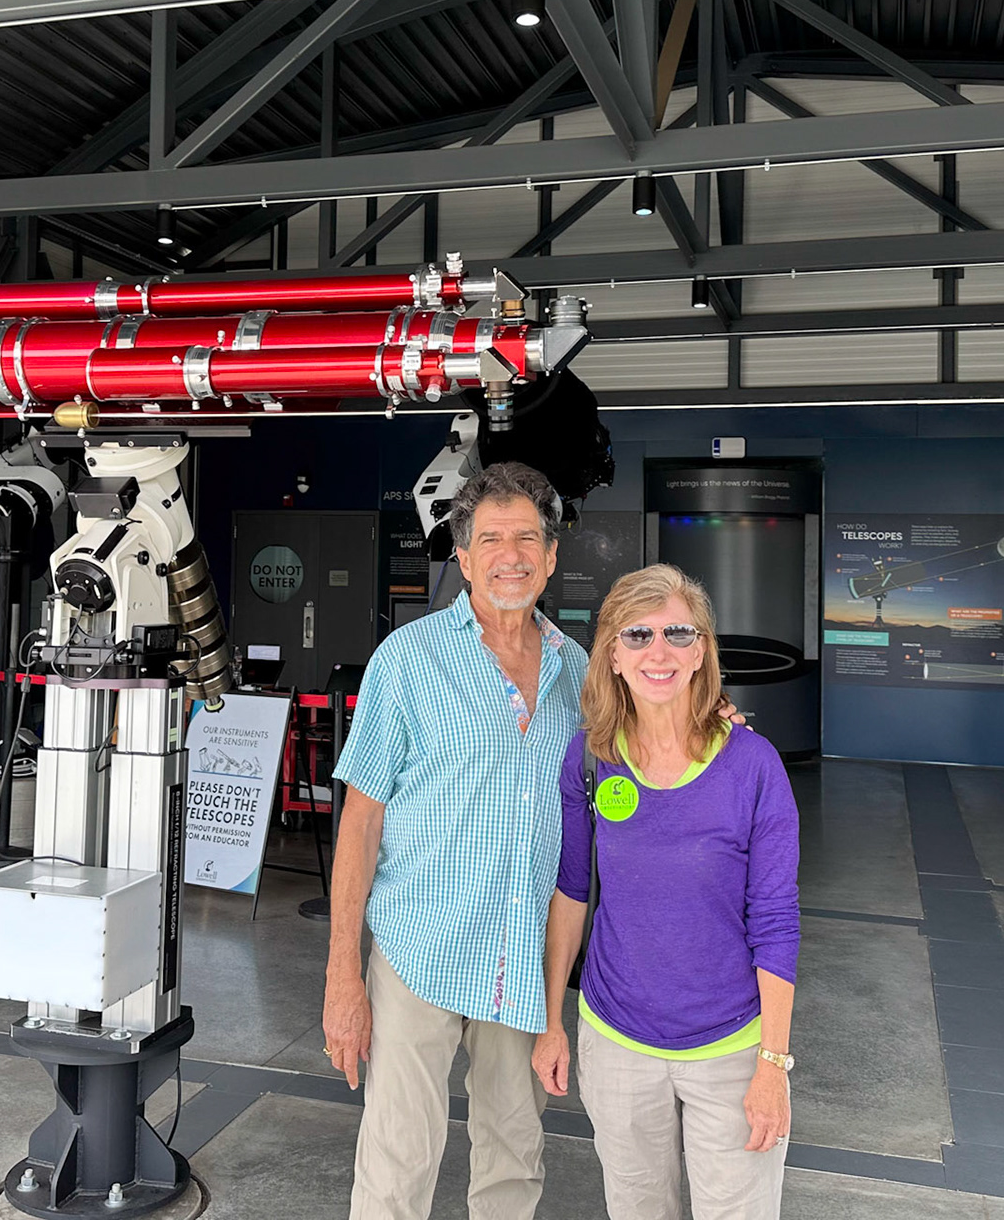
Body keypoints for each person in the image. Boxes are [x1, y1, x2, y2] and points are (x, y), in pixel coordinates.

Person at [323, 461, 586, 1220]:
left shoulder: (577, 671)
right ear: (463, 557)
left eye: (528, 538)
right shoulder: (407, 661)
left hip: (522, 955)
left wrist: (720, 727)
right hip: (420, 952)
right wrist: (345, 977)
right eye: (492, 539)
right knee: (398, 1160)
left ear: (552, 555)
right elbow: (361, 824)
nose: (512, 554)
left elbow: (659, 731)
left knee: (514, 1157)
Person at [533, 563, 801, 1220]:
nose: (660, 652)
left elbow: (775, 921)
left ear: (702, 649)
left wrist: (773, 1064)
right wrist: (550, 1023)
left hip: (731, 1049)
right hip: (617, 1040)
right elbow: (571, 893)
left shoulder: (753, 766)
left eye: (678, 634)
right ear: (613, 657)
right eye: (638, 636)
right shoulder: (591, 760)